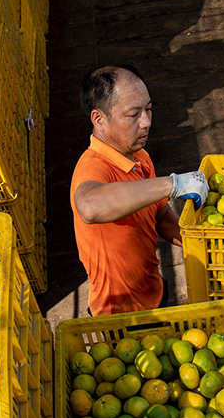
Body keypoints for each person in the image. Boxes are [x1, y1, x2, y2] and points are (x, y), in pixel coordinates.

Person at [71, 64, 208, 316]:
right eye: (133, 114)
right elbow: (89, 206)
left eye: (148, 109)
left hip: (153, 290)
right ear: (99, 119)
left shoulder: (140, 157)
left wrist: (207, 245)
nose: (145, 122)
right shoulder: (91, 169)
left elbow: (161, 217)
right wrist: (173, 183)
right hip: (119, 313)